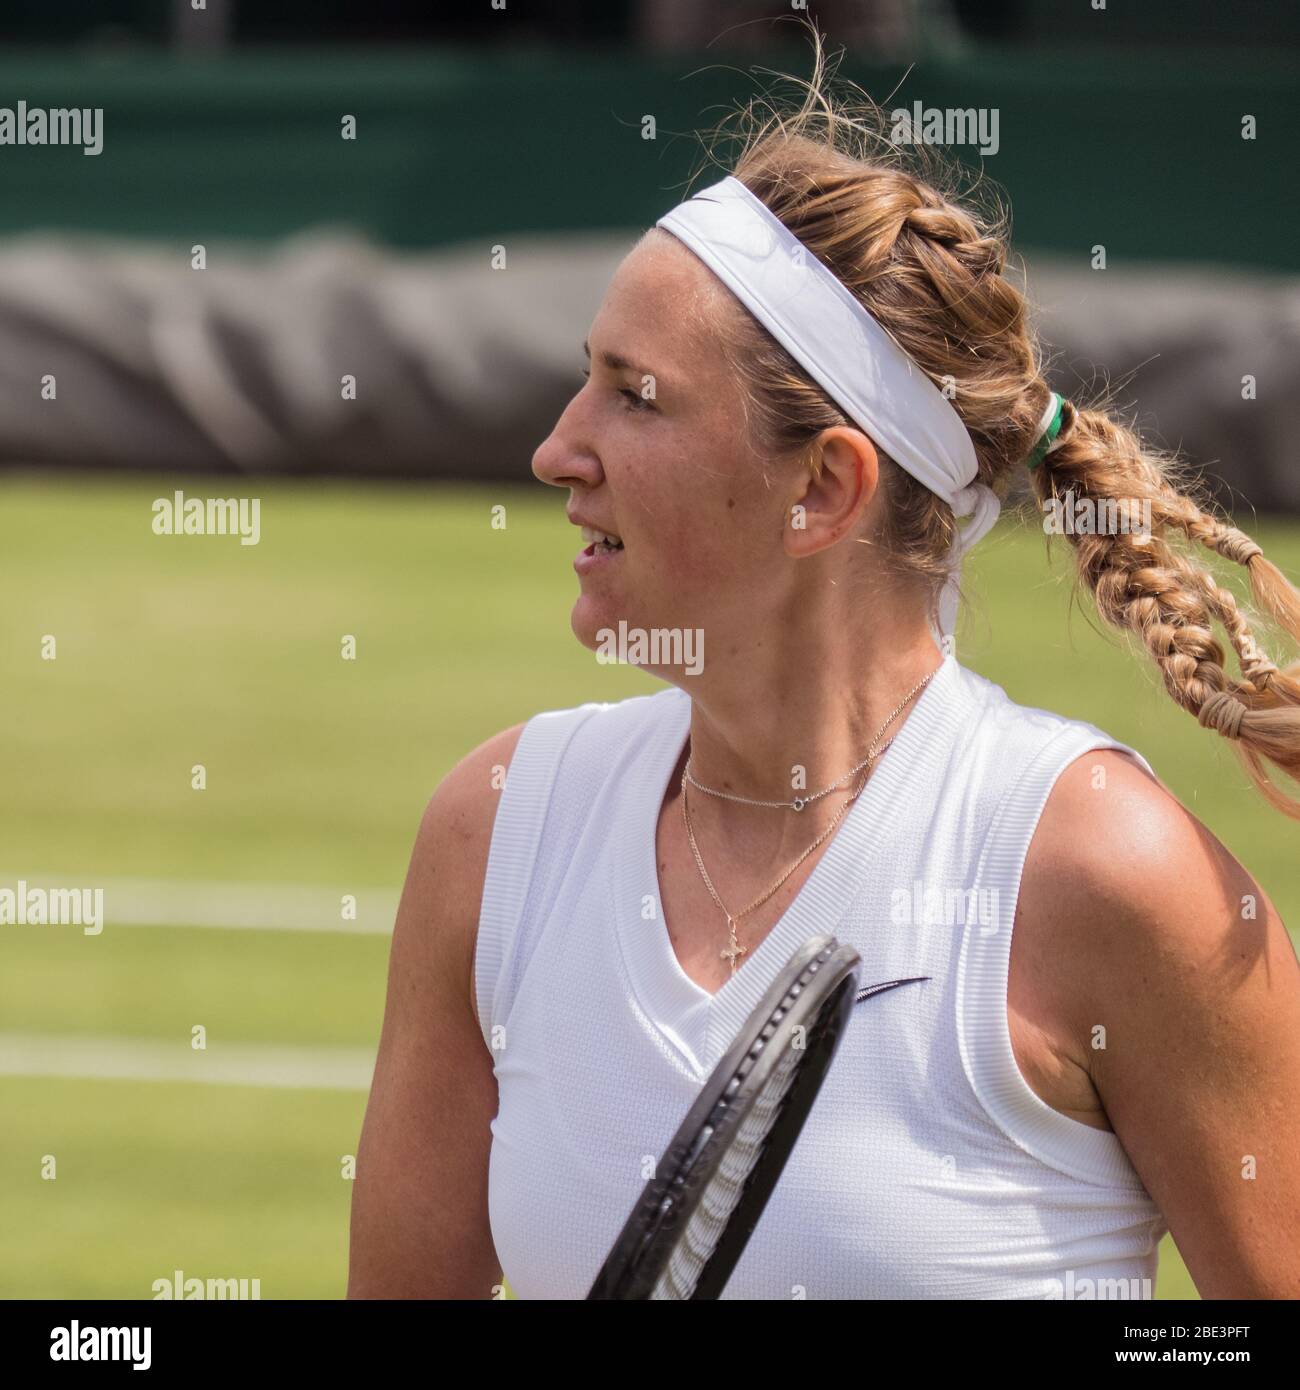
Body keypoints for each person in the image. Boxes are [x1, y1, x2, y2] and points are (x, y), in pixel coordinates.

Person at [348, 39, 1300, 1299]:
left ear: (822, 488)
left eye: (635, 397)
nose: (555, 451)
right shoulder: (497, 832)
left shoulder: (1105, 876)